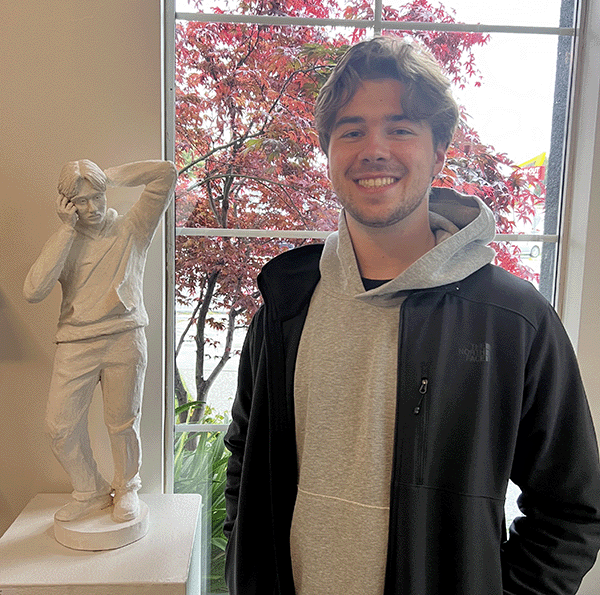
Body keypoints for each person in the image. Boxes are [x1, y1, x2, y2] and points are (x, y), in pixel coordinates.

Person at [222, 36, 600, 594]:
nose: (374, 148)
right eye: (351, 130)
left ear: (439, 150)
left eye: (401, 128)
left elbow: (572, 510)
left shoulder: (512, 319)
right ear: (328, 151)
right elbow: (244, 463)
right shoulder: (286, 307)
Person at [24, 159, 176, 523]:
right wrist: (64, 232)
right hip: (75, 342)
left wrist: (107, 176)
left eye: (97, 197)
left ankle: (127, 488)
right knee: (60, 426)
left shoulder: (133, 228)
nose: (91, 208)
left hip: (125, 336)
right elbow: (33, 290)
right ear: (66, 204)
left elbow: (166, 174)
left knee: (122, 422)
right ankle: (90, 491)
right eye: (81, 202)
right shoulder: (65, 241)